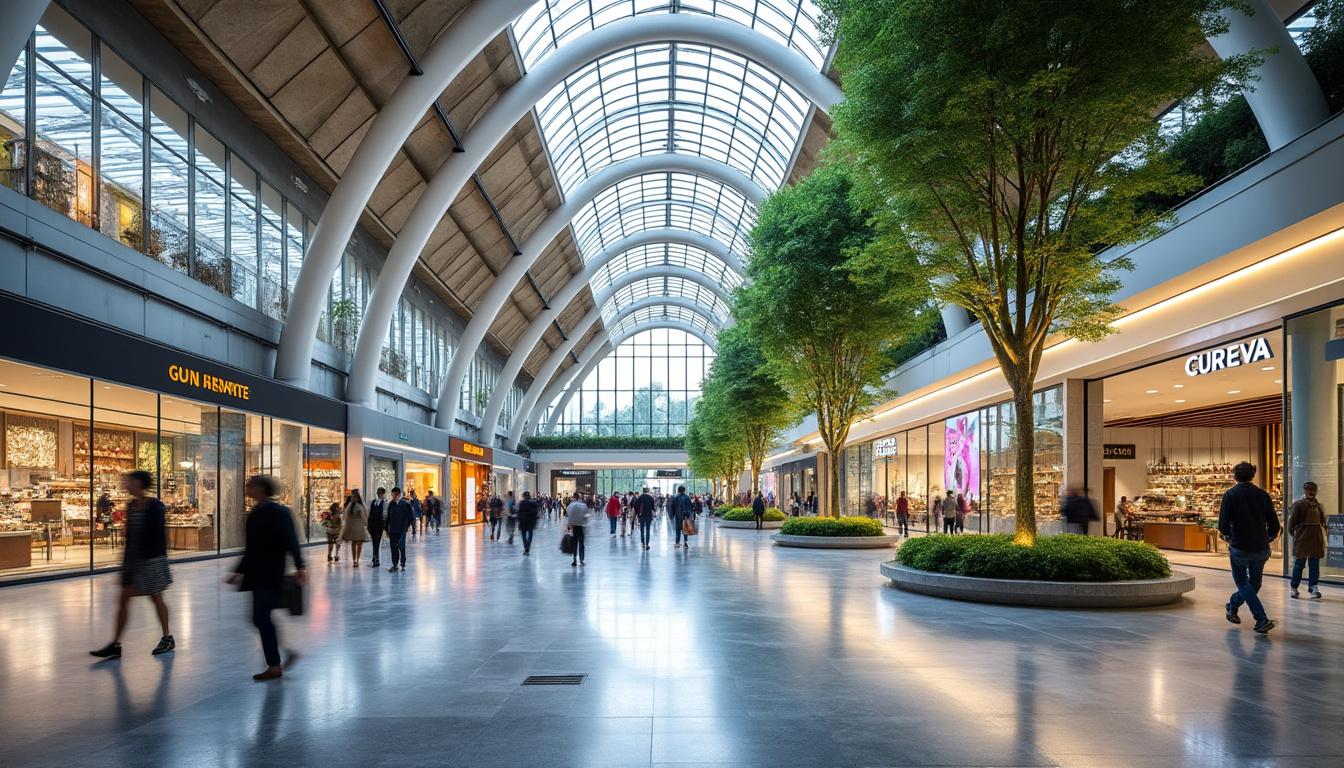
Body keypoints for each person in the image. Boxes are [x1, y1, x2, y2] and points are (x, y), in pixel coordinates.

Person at [226, 475, 306, 681]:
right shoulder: (254, 513)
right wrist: (238, 571)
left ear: (261, 488)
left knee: (260, 617)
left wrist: (300, 566)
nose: (247, 488)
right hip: (257, 572)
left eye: (250, 485)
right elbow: (251, 548)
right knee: (260, 618)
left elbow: (291, 539)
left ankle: (275, 664)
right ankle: (279, 657)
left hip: (270, 572)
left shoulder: (278, 512)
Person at [90, 470, 174, 660]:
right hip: (136, 562)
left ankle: (166, 637)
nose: (126, 483)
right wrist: (126, 564)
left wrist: (148, 560)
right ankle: (117, 643)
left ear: (140, 483)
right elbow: (130, 538)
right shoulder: (131, 506)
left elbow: (159, 537)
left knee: (155, 598)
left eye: (130, 480)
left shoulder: (154, 506)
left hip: (151, 561)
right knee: (129, 598)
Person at [1218, 462, 1280, 634]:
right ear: (1253, 475)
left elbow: (1222, 526)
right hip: (1261, 546)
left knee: (1242, 582)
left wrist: (1229, 537)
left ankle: (1258, 618)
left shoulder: (1230, 495)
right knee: (1255, 582)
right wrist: (1268, 537)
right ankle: (1233, 606)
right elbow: (1274, 525)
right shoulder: (1262, 495)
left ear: (1234, 476)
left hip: (1239, 546)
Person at [1287, 481, 1327, 600]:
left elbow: (1323, 523)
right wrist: (1297, 538)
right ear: (1304, 490)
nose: (1311, 492)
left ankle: (1314, 588)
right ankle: (1294, 588)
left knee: (1314, 565)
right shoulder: (1298, 505)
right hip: (1302, 541)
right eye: (1309, 489)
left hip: (1316, 540)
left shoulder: (1319, 506)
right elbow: (1291, 525)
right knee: (1299, 565)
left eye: (1313, 490)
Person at [385, 487, 412, 572]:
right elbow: (388, 518)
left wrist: (406, 526)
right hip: (393, 530)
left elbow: (411, 516)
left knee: (401, 546)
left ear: (399, 495)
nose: (393, 496)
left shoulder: (405, 504)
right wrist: (386, 529)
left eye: (395, 494)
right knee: (393, 548)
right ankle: (395, 565)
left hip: (402, 530)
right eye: (392, 494)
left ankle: (403, 563)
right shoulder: (391, 504)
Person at [340, 489, 370, 566]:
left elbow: (364, 516)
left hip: (358, 526)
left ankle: (357, 559)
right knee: (354, 544)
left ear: (357, 497)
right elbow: (346, 516)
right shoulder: (350, 505)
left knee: (359, 543)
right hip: (353, 526)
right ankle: (354, 560)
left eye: (354, 497)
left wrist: (366, 524)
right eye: (352, 496)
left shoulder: (360, 506)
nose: (352, 498)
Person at [565, 492, 590, 566]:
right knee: (581, 543)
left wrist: (569, 525)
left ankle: (574, 559)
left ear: (573, 497)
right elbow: (586, 516)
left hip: (574, 527)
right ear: (579, 498)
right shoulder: (583, 505)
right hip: (581, 526)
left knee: (575, 543)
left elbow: (568, 515)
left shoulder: (570, 506)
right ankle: (581, 560)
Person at [367, 487, 388, 567]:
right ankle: (375, 559)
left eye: (380, 493)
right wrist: (369, 525)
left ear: (383, 494)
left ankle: (376, 559)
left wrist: (385, 526)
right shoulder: (373, 502)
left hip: (379, 525)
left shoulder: (385, 503)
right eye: (378, 493)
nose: (378, 494)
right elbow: (370, 514)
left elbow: (385, 516)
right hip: (372, 525)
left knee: (377, 542)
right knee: (374, 542)